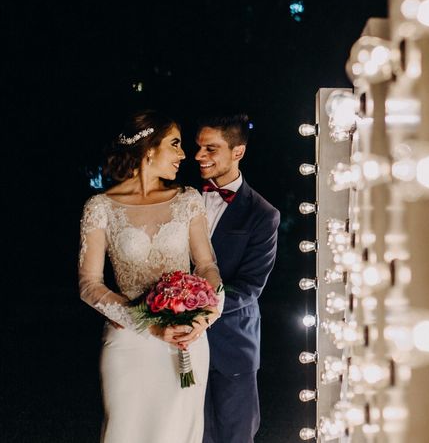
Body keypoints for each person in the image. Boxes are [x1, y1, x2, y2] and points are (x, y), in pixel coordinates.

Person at [78, 110, 223, 443]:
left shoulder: (188, 200)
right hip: (130, 341)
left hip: (186, 340)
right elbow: (89, 284)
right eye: (175, 144)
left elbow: (206, 266)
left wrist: (208, 314)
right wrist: (147, 323)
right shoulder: (100, 207)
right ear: (148, 149)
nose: (184, 155)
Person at [195, 114, 280, 443]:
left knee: (235, 435)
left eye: (210, 149)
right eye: (199, 147)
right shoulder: (185, 199)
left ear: (237, 152)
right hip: (178, 343)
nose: (199, 155)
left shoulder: (263, 214)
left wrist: (192, 308)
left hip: (232, 342)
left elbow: (249, 287)